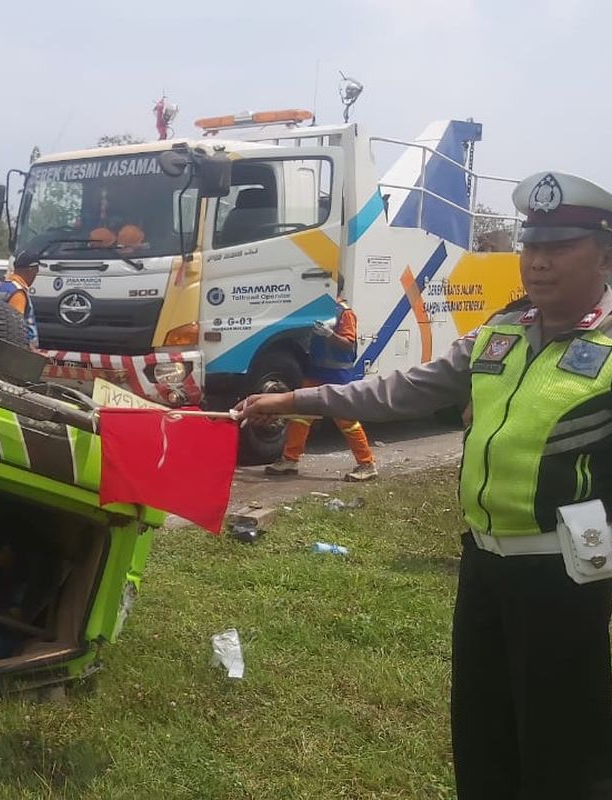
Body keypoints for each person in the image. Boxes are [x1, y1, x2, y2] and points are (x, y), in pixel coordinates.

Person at [236, 171, 612, 799]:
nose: (539, 263)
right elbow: (397, 389)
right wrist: (295, 399)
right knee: (484, 737)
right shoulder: (503, 331)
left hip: (565, 578)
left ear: (603, 254)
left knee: (563, 750)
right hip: (484, 568)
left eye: (560, 247)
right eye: (531, 246)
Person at [266, 276, 378, 482]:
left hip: (337, 376)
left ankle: (367, 464)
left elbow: (348, 343)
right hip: (316, 372)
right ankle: (290, 460)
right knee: (299, 415)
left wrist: (329, 334)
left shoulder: (345, 313)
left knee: (347, 421)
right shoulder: (321, 310)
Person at [0, 256, 41, 349]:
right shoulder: (18, 293)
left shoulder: (1, 287)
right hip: (19, 349)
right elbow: (17, 327)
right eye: (36, 272)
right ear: (31, 270)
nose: (35, 276)